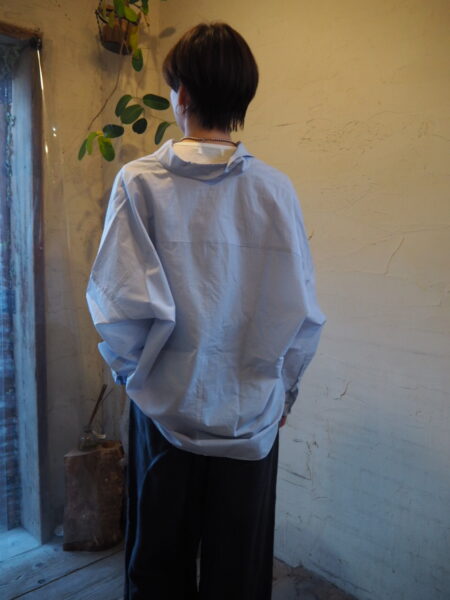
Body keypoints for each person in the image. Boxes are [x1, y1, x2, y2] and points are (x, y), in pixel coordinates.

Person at [86, 21, 326, 600]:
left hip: (164, 416)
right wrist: (283, 393)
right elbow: (301, 314)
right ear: (241, 98)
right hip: (251, 420)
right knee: (239, 574)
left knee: (157, 572)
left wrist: (136, 380)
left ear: (183, 94)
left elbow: (118, 306)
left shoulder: (139, 182)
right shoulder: (275, 190)